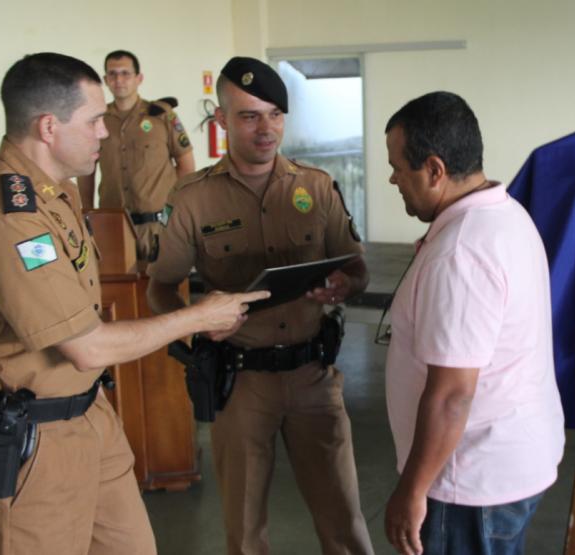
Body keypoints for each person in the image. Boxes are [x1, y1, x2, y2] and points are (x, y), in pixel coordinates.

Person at [0, 52, 269, 555]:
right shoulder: (7, 214)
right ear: (47, 127)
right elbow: (86, 346)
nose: (105, 132)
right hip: (33, 441)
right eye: (93, 120)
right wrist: (198, 315)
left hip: (88, 418)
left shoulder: (53, 191)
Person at [146, 56, 373, 555]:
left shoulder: (315, 186)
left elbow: (359, 269)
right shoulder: (191, 198)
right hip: (241, 382)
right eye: (249, 116)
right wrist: (198, 327)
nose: (266, 129)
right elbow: (161, 288)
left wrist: (341, 285)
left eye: (275, 114)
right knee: (245, 533)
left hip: (314, 376)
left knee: (345, 524)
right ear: (223, 121)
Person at [382, 91, 566, 555]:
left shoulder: (463, 251)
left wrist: (411, 490)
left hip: (469, 483)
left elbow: (451, 395)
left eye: (399, 168)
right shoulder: (505, 215)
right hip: (509, 460)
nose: (393, 179)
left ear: (435, 170)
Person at [77, 50, 195, 266]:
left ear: (139, 78)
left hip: (160, 225)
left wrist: (178, 210)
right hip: (113, 226)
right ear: (105, 80)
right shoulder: (98, 119)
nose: (119, 80)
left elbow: (186, 165)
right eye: (112, 74)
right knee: (120, 293)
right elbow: (87, 169)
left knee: (168, 290)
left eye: (125, 73)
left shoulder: (161, 115)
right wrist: (86, 213)